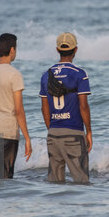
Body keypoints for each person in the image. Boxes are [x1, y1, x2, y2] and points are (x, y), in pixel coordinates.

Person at [39, 32, 92, 183]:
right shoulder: (80, 74)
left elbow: (44, 108)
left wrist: (52, 128)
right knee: (82, 181)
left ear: (57, 50)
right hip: (73, 132)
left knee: (54, 182)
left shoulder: (45, 75)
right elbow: (83, 106)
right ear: (75, 50)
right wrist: (89, 132)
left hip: (53, 134)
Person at [0, 33, 32, 178]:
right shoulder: (14, 74)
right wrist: (27, 138)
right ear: (12, 50)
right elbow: (18, 110)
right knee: (6, 176)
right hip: (8, 131)